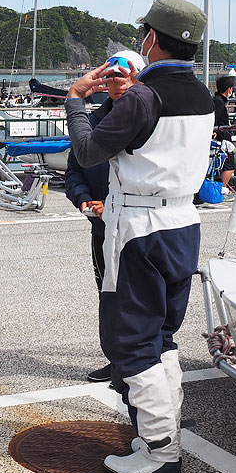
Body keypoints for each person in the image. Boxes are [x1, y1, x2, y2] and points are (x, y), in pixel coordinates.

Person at [65, 0, 214, 473]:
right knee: (163, 337)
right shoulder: (202, 94)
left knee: (132, 342)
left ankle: (158, 452)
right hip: (184, 223)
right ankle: (163, 433)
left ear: (152, 38)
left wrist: (75, 102)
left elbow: (88, 151)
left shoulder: (143, 96)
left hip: (139, 229)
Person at [64, 50, 144, 384]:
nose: (114, 82)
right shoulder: (94, 122)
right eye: (109, 76)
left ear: (138, 76)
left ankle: (139, 365)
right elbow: (73, 171)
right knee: (106, 294)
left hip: (137, 227)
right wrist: (85, 200)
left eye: (121, 75)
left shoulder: (146, 120)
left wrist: (109, 203)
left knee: (138, 297)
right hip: (101, 227)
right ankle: (115, 361)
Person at [212, 75, 236, 200]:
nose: (232, 91)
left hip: (222, 137)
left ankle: (222, 189)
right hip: (222, 139)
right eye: (232, 88)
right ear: (228, 89)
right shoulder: (218, 101)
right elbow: (215, 119)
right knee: (229, 165)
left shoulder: (218, 100)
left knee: (224, 165)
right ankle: (221, 190)